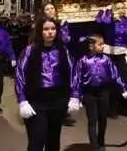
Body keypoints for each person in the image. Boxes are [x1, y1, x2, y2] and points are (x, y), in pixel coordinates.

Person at [15, 16, 81, 151]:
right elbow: (20, 74)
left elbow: (73, 72)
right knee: (37, 139)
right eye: (46, 29)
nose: (50, 32)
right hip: (36, 101)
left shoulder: (63, 50)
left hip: (58, 100)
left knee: (53, 140)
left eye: (53, 29)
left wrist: (75, 96)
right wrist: (22, 100)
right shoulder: (29, 50)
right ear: (40, 31)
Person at [74, 33, 127, 150]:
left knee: (103, 118)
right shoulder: (83, 61)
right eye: (100, 44)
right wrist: (76, 96)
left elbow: (115, 75)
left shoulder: (106, 60)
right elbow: (76, 79)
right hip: (89, 93)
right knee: (92, 120)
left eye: (103, 44)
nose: (103, 46)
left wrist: (123, 88)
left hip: (104, 92)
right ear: (91, 46)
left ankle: (101, 141)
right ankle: (95, 145)